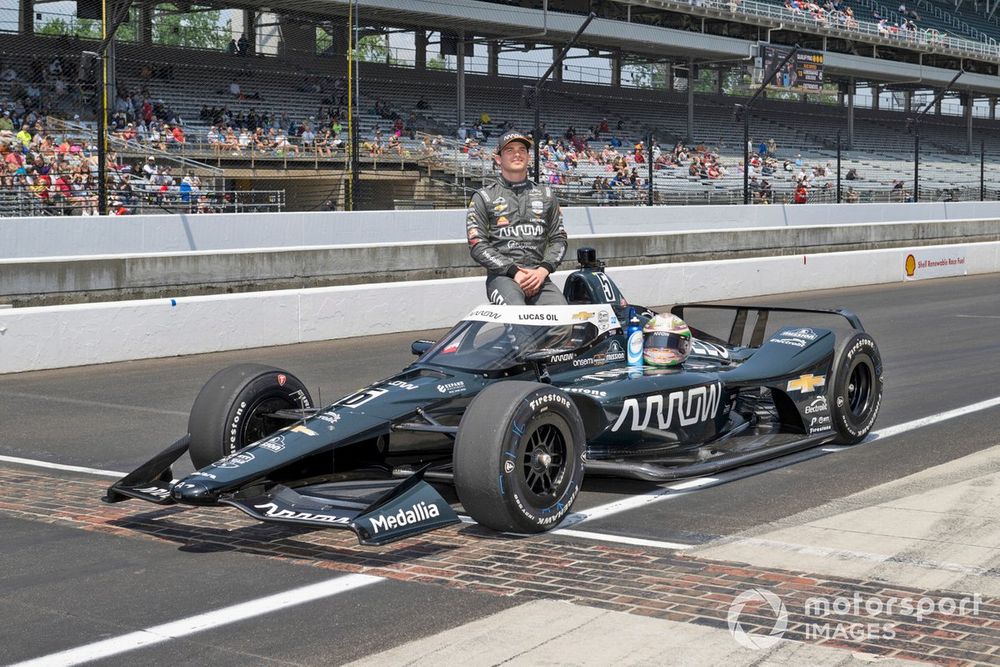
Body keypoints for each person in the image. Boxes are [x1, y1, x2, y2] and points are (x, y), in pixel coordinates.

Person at [466, 130, 568, 306]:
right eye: (510, 150)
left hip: (539, 277)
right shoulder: (484, 197)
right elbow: (477, 245)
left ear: (528, 157)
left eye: (522, 149)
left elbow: (559, 239)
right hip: (503, 277)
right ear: (498, 159)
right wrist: (515, 272)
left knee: (565, 324)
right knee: (519, 318)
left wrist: (543, 270)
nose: (517, 154)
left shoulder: (547, 195)